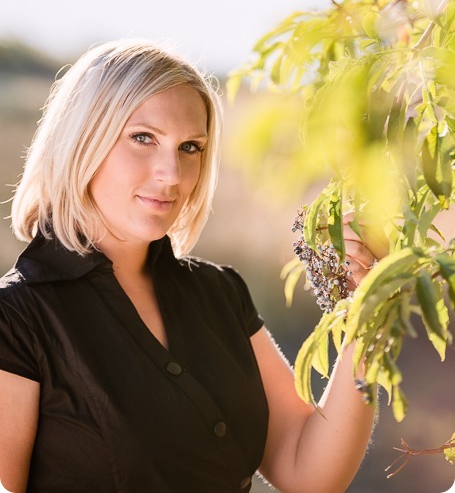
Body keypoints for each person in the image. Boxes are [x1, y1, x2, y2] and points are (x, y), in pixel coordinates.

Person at [0, 39, 378, 493]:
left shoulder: (221, 292)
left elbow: (310, 474)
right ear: (83, 141)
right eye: (143, 138)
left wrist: (369, 312)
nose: (172, 174)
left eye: (190, 148)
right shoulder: (16, 320)